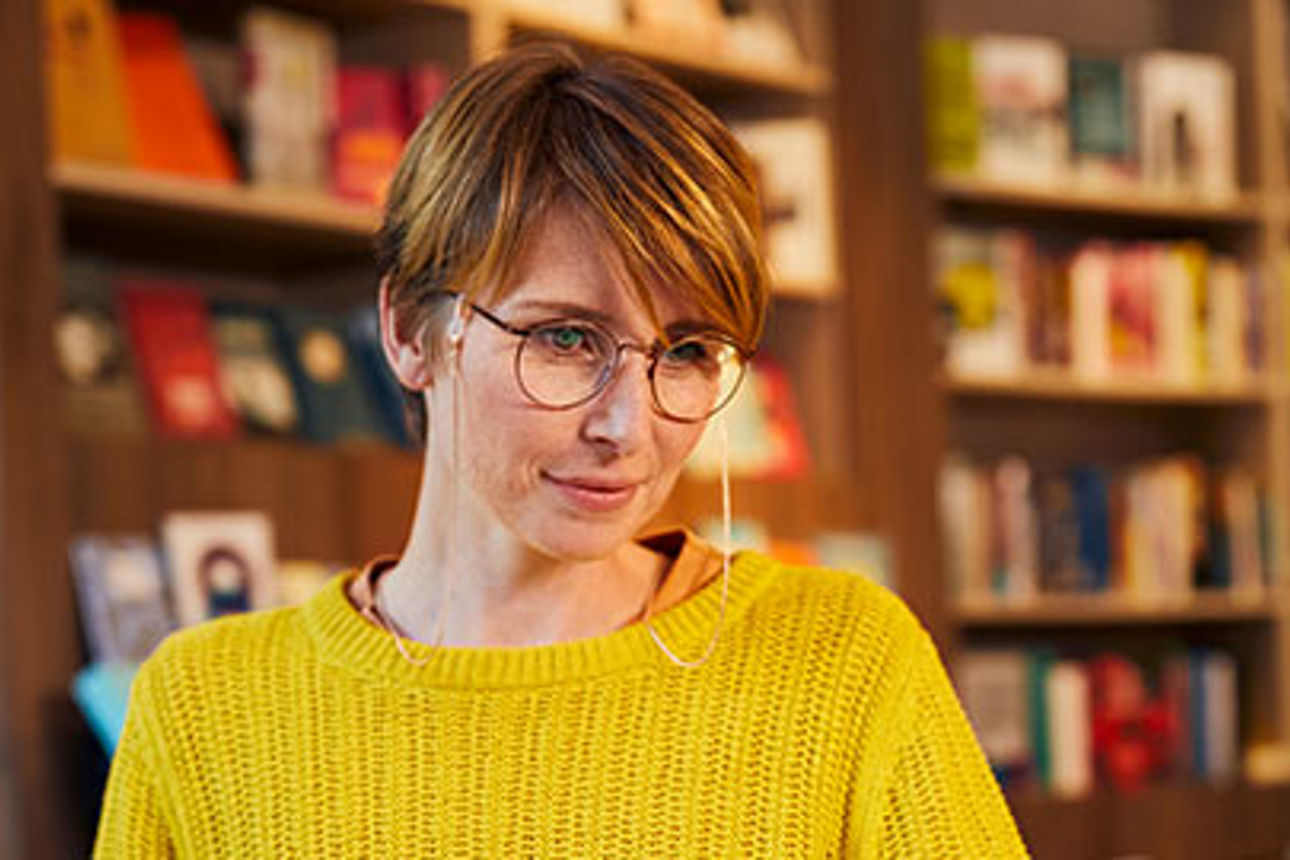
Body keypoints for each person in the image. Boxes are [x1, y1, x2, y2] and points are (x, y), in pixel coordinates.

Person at [94, 42, 1027, 857]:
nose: (630, 426)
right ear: (411, 335)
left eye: (689, 351)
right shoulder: (203, 710)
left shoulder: (845, 663)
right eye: (567, 338)